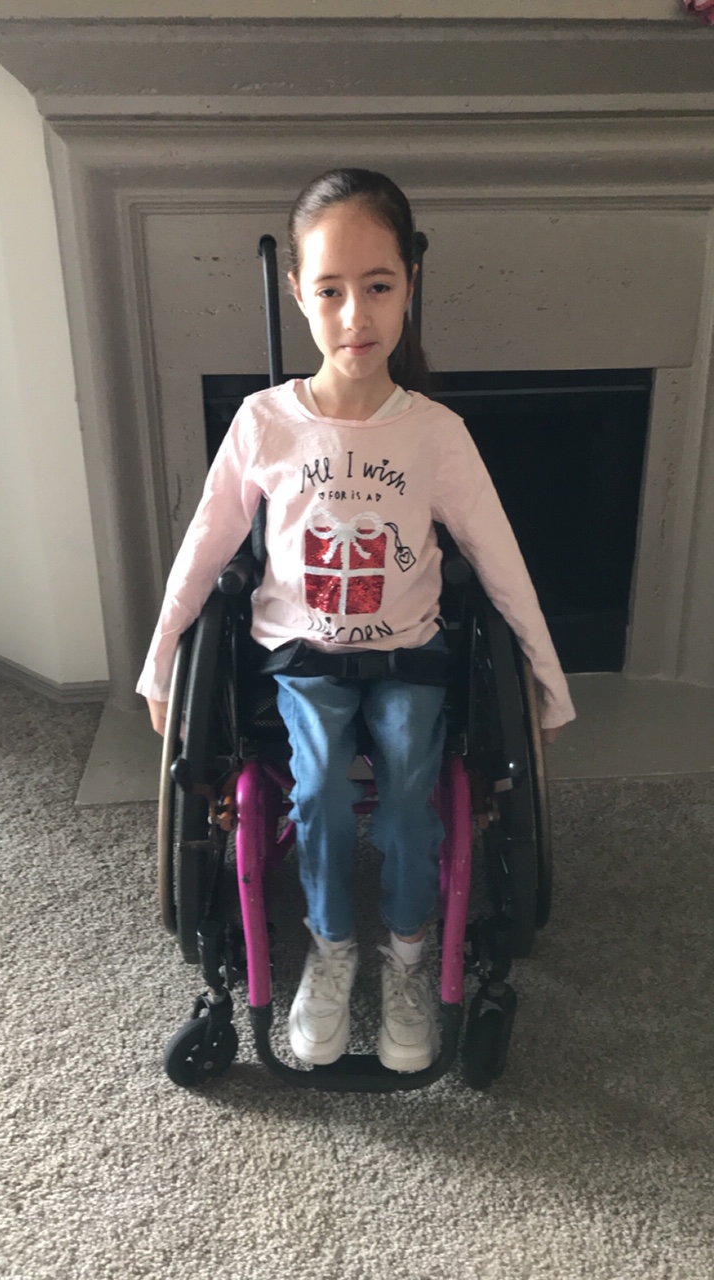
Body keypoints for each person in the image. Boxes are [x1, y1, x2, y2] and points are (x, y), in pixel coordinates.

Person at [138, 167, 575, 1074]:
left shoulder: (435, 434)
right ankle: (334, 948)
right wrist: (160, 663)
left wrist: (547, 682)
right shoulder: (264, 423)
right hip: (300, 659)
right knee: (322, 788)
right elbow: (204, 550)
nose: (355, 316)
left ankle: (408, 953)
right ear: (298, 293)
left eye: (377, 287)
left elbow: (500, 563)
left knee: (413, 787)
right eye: (331, 291)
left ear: (409, 284)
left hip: (411, 656)